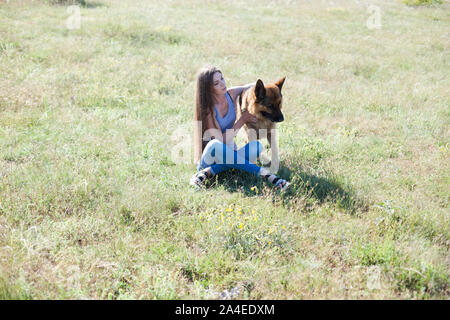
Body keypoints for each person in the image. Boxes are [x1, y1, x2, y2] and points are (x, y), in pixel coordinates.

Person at [190, 66, 290, 191]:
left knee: (257, 147)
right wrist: (242, 120)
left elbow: (251, 87)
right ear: (208, 89)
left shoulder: (230, 94)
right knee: (216, 143)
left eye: (222, 78)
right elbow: (222, 140)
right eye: (216, 83)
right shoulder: (208, 110)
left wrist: (267, 90)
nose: (222, 84)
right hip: (211, 157)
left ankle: (208, 173)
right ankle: (269, 177)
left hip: (229, 156)